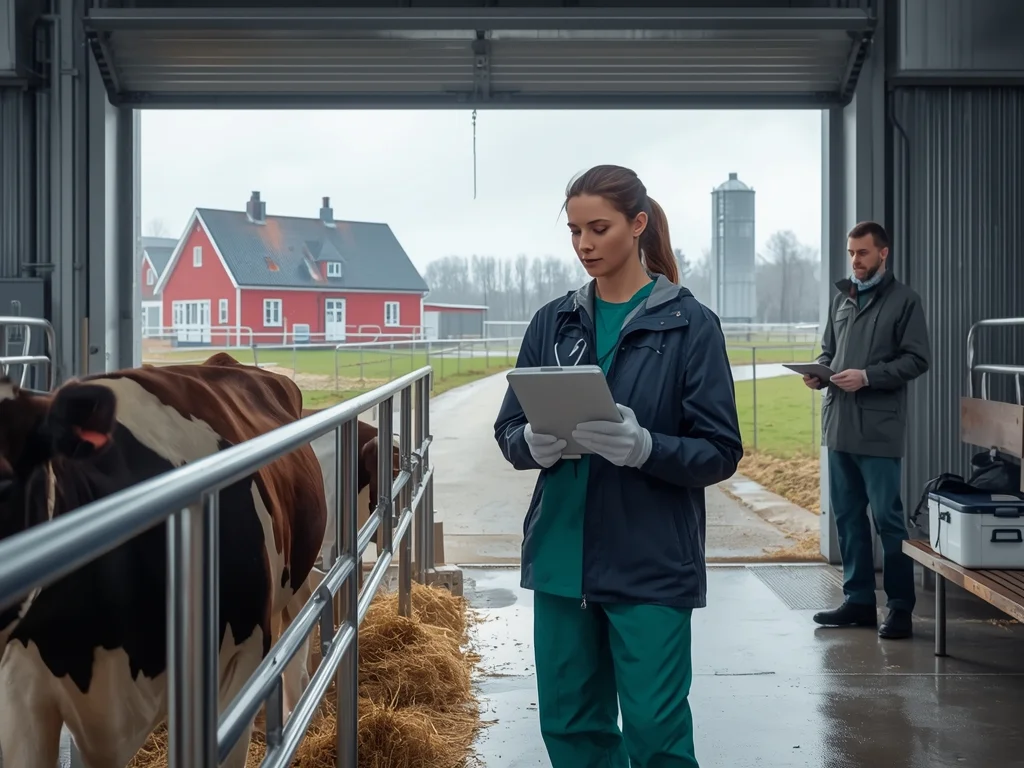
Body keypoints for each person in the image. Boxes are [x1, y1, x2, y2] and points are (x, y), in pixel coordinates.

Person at [493, 164, 743, 768]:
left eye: (598, 228)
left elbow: (720, 449)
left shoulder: (690, 325)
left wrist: (646, 448)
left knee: (656, 733)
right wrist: (531, 442)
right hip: (560, 556)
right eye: (575, 231)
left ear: (637, 225)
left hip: (650, 560)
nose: (584, 244)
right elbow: (507, 429)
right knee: (572, 727)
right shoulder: (552, 323)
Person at [807, 221, 931, 640]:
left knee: (887, 519)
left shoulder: (904, 302)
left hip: (878, 430)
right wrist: (820, 373)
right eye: (851, 253)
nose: (855, 261)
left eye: (862, 253)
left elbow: (917, 360)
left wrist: (868, 376)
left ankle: (899, 607)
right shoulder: (842, 299)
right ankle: (859, 601)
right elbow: (830, 350)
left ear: (883, 253)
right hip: (839, 424)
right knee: (848, 518)